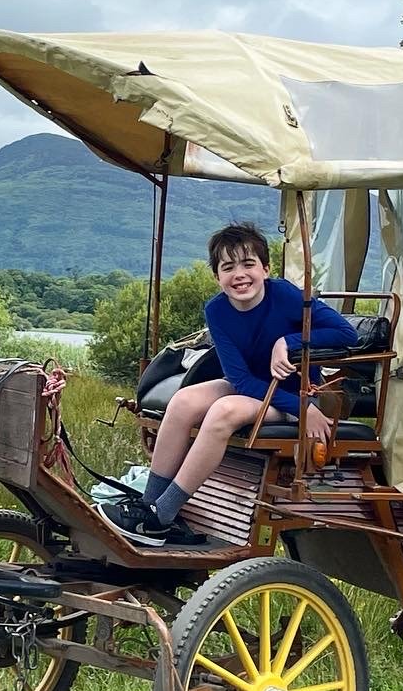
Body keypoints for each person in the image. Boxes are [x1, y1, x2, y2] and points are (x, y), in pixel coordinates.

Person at [98, 222, 358, 546]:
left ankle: (162, 514)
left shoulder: (287, 296)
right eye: (228, 267)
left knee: (223, 411)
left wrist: (288, 343)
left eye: (248, 264)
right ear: (217, 277)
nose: (240, 275)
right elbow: (240, 379)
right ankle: (149, 509)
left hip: (291, 395)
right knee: (182, 401)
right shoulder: (217, 310)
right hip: (251, 386)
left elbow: (348, 335)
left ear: (265, 269)